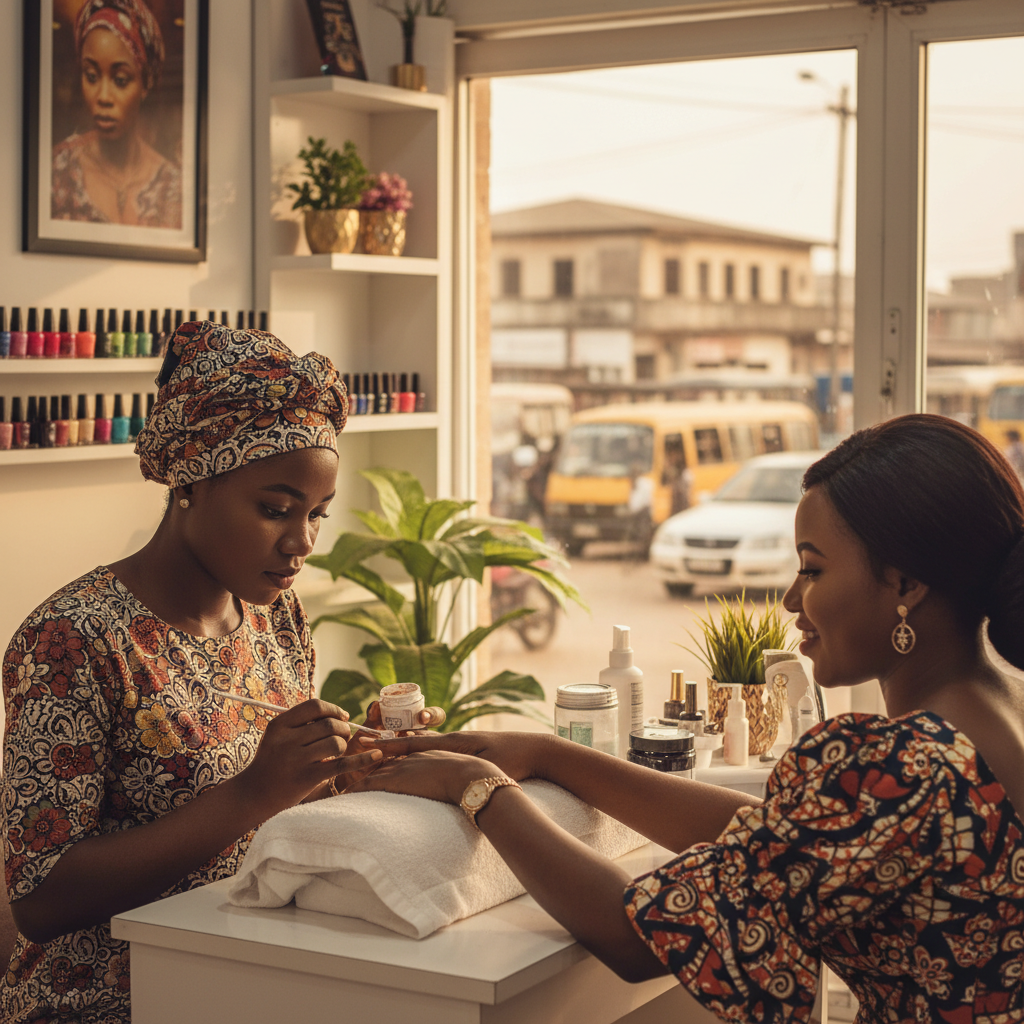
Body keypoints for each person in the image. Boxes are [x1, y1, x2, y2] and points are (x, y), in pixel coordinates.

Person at [352, 413, 1024, 1024]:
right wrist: (545, 754)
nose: (792, 598)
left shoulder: (903, 763)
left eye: (812, 570)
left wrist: (480, 789)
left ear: (905, 585)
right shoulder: (994, 717)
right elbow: (775, 843)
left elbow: (635, 937)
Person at [1, 321, 443, 1023]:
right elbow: (41, 898)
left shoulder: (275, 618)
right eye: (275, 510)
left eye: (317, 515)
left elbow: (278, 814)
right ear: (190, 484)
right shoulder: (74, 639)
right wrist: (253, 793)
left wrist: (345, 767)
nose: (301, 544)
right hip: (108, 1001)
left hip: (249, 967)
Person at [51, 0, 182, 228]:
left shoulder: (172, 186)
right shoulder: (58, 172)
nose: (103, 97)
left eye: (120, 80)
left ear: (145, 84)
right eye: (91, 76)